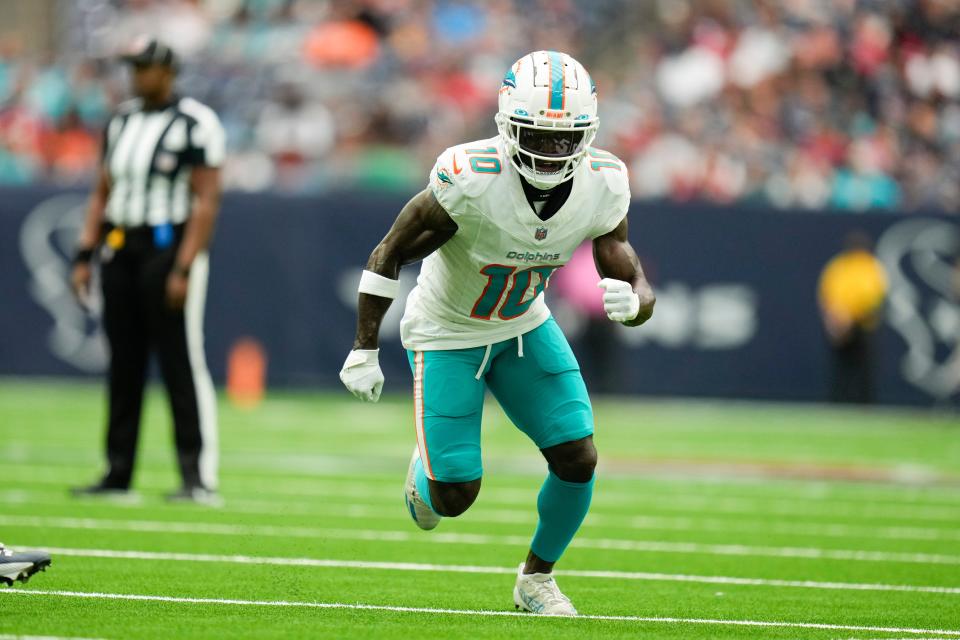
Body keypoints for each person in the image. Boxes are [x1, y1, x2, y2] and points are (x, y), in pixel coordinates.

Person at [339, 51, 655, 615]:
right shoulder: (470, 178)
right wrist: (364, 347)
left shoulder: (603, 181)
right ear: (508, 124)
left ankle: (536, 579)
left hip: (524, 325)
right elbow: (388, 253)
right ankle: (427, 470)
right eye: (539, 134)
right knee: (454, 497)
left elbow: (622, 258)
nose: (554, 150)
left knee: (578, 456)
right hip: (446, 332)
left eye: (567, 138)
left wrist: (636, 300)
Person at [70, 37, 224, 504]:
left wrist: (183, 265)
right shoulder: (121, 120)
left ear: (168, 71)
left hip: (168, 245)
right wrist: (84, 252)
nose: (137, 75)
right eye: (133, 67)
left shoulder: (195, 122)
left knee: (180, 360)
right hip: (122, 244)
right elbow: (102, 191)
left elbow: (206, 200)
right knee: (124, 361)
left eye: (145, 67)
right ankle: (117, 472)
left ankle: (197, 476)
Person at [818, 231, 888, 403]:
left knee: (863, 367)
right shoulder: (841, 266)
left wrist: (850, 316)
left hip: (863, 324)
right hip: (841, 323)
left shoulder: (870, 266)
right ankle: (840, 401)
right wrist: (835, 318)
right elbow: (828, 294)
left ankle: (863, 403)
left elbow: (875, 298)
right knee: (843, 367)